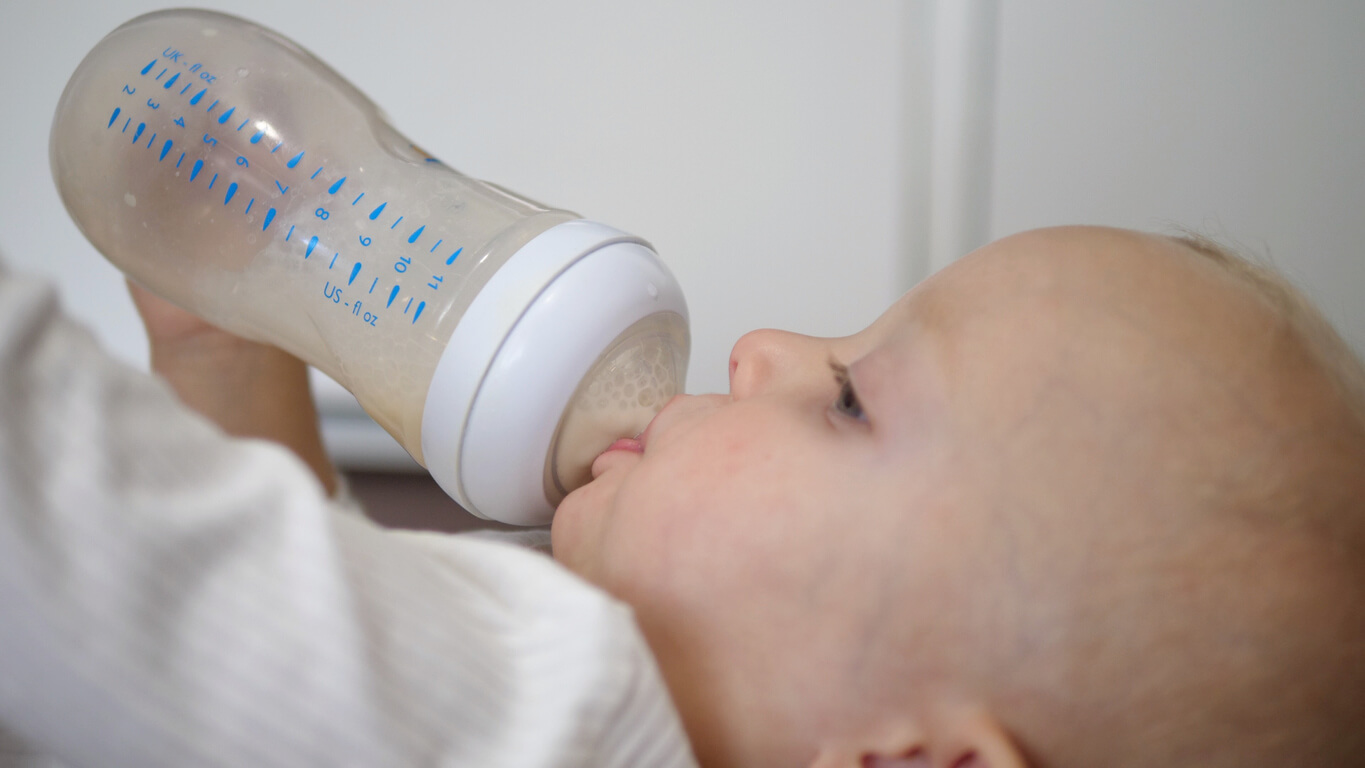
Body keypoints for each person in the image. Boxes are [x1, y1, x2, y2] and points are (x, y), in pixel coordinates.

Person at [2, 225, 1363, 767]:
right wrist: (225, 357)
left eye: (847, 400)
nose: (763, 345)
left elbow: (129, 558)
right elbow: (329, 667)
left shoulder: (571, 711)